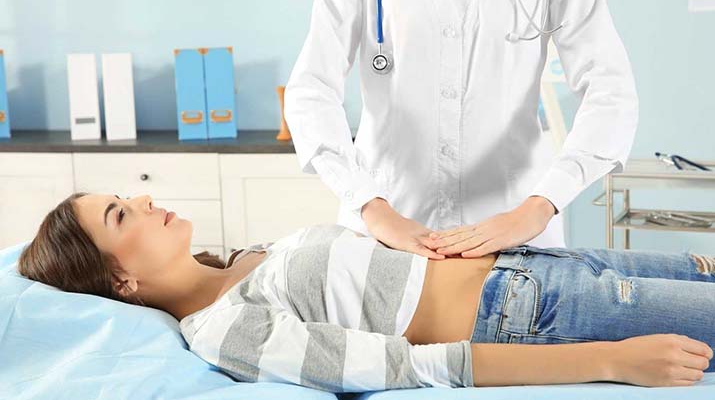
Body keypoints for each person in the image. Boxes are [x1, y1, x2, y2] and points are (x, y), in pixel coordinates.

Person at [17, 193, 715, 392]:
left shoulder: (245, 257)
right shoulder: (222, 330)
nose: (144, 201)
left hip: (538, 260)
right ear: (120, 281)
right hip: (536, 313)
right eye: (121, 216)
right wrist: (609, 360)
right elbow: (411, 366)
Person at [284, 0, 639, 260]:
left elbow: (611, 90)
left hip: (515, 233)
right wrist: (369, 204)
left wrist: (542, 203)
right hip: (386, 232)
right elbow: (311, 90)